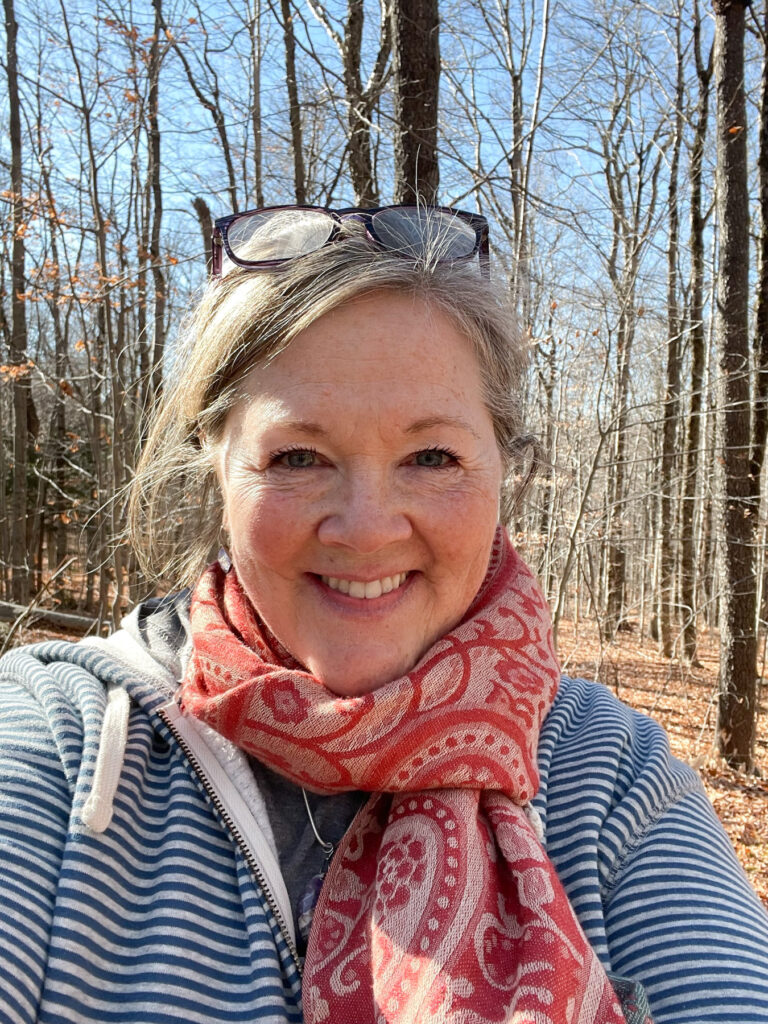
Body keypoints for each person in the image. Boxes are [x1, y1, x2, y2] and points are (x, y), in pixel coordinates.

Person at [1, 203, 767, 1024]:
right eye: (298, 456)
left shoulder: (607, 772)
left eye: (431, 456)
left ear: (506, 466)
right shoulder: (63, 739)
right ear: (215, 464)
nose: (366, 529)